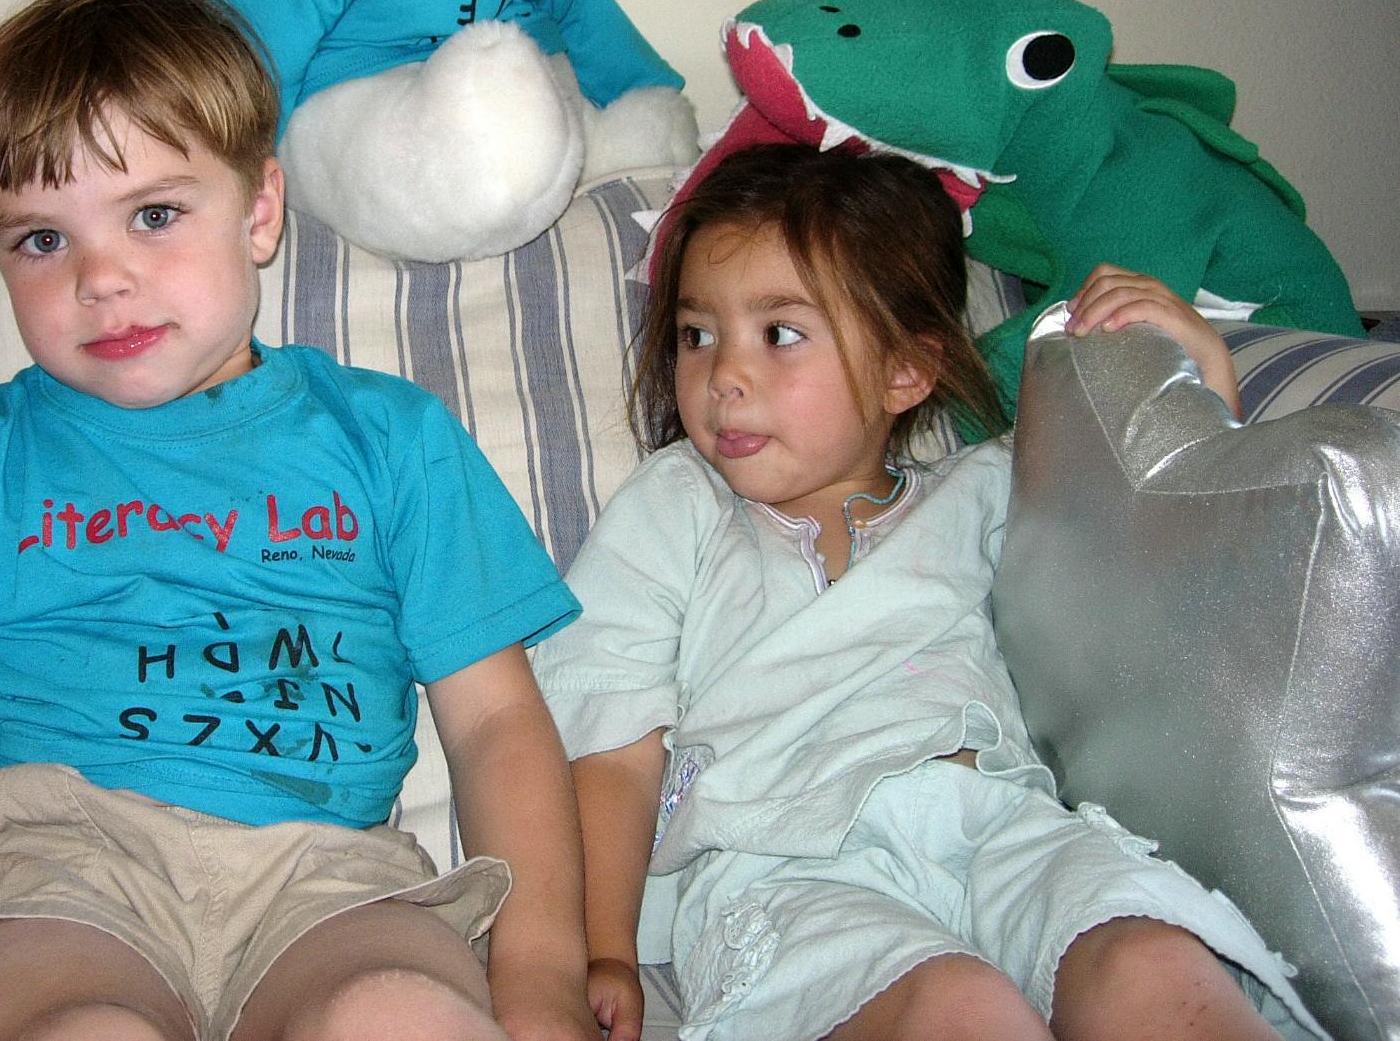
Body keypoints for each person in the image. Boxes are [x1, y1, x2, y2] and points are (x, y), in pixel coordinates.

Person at [0, 0, 602, 1041]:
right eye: (42, 239)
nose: (101, 278)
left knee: (401, 1013)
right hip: (53, 879)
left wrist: (539, 972)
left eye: (155, 214)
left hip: (332, 879)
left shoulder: (390, 438)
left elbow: (496, 723)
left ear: (259, 210)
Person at [531, 142, 1326, 1041]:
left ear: (905, 371)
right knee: (961, 1011)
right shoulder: (678, 504)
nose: (723, 376)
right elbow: (612, 745)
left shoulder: (989, 491)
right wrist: (601, 948)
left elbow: (1157, 556)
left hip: (1003, 827)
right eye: (696, 335)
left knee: (1154, 966)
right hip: (783, 867)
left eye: (779, 333)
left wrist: (1199, 369)